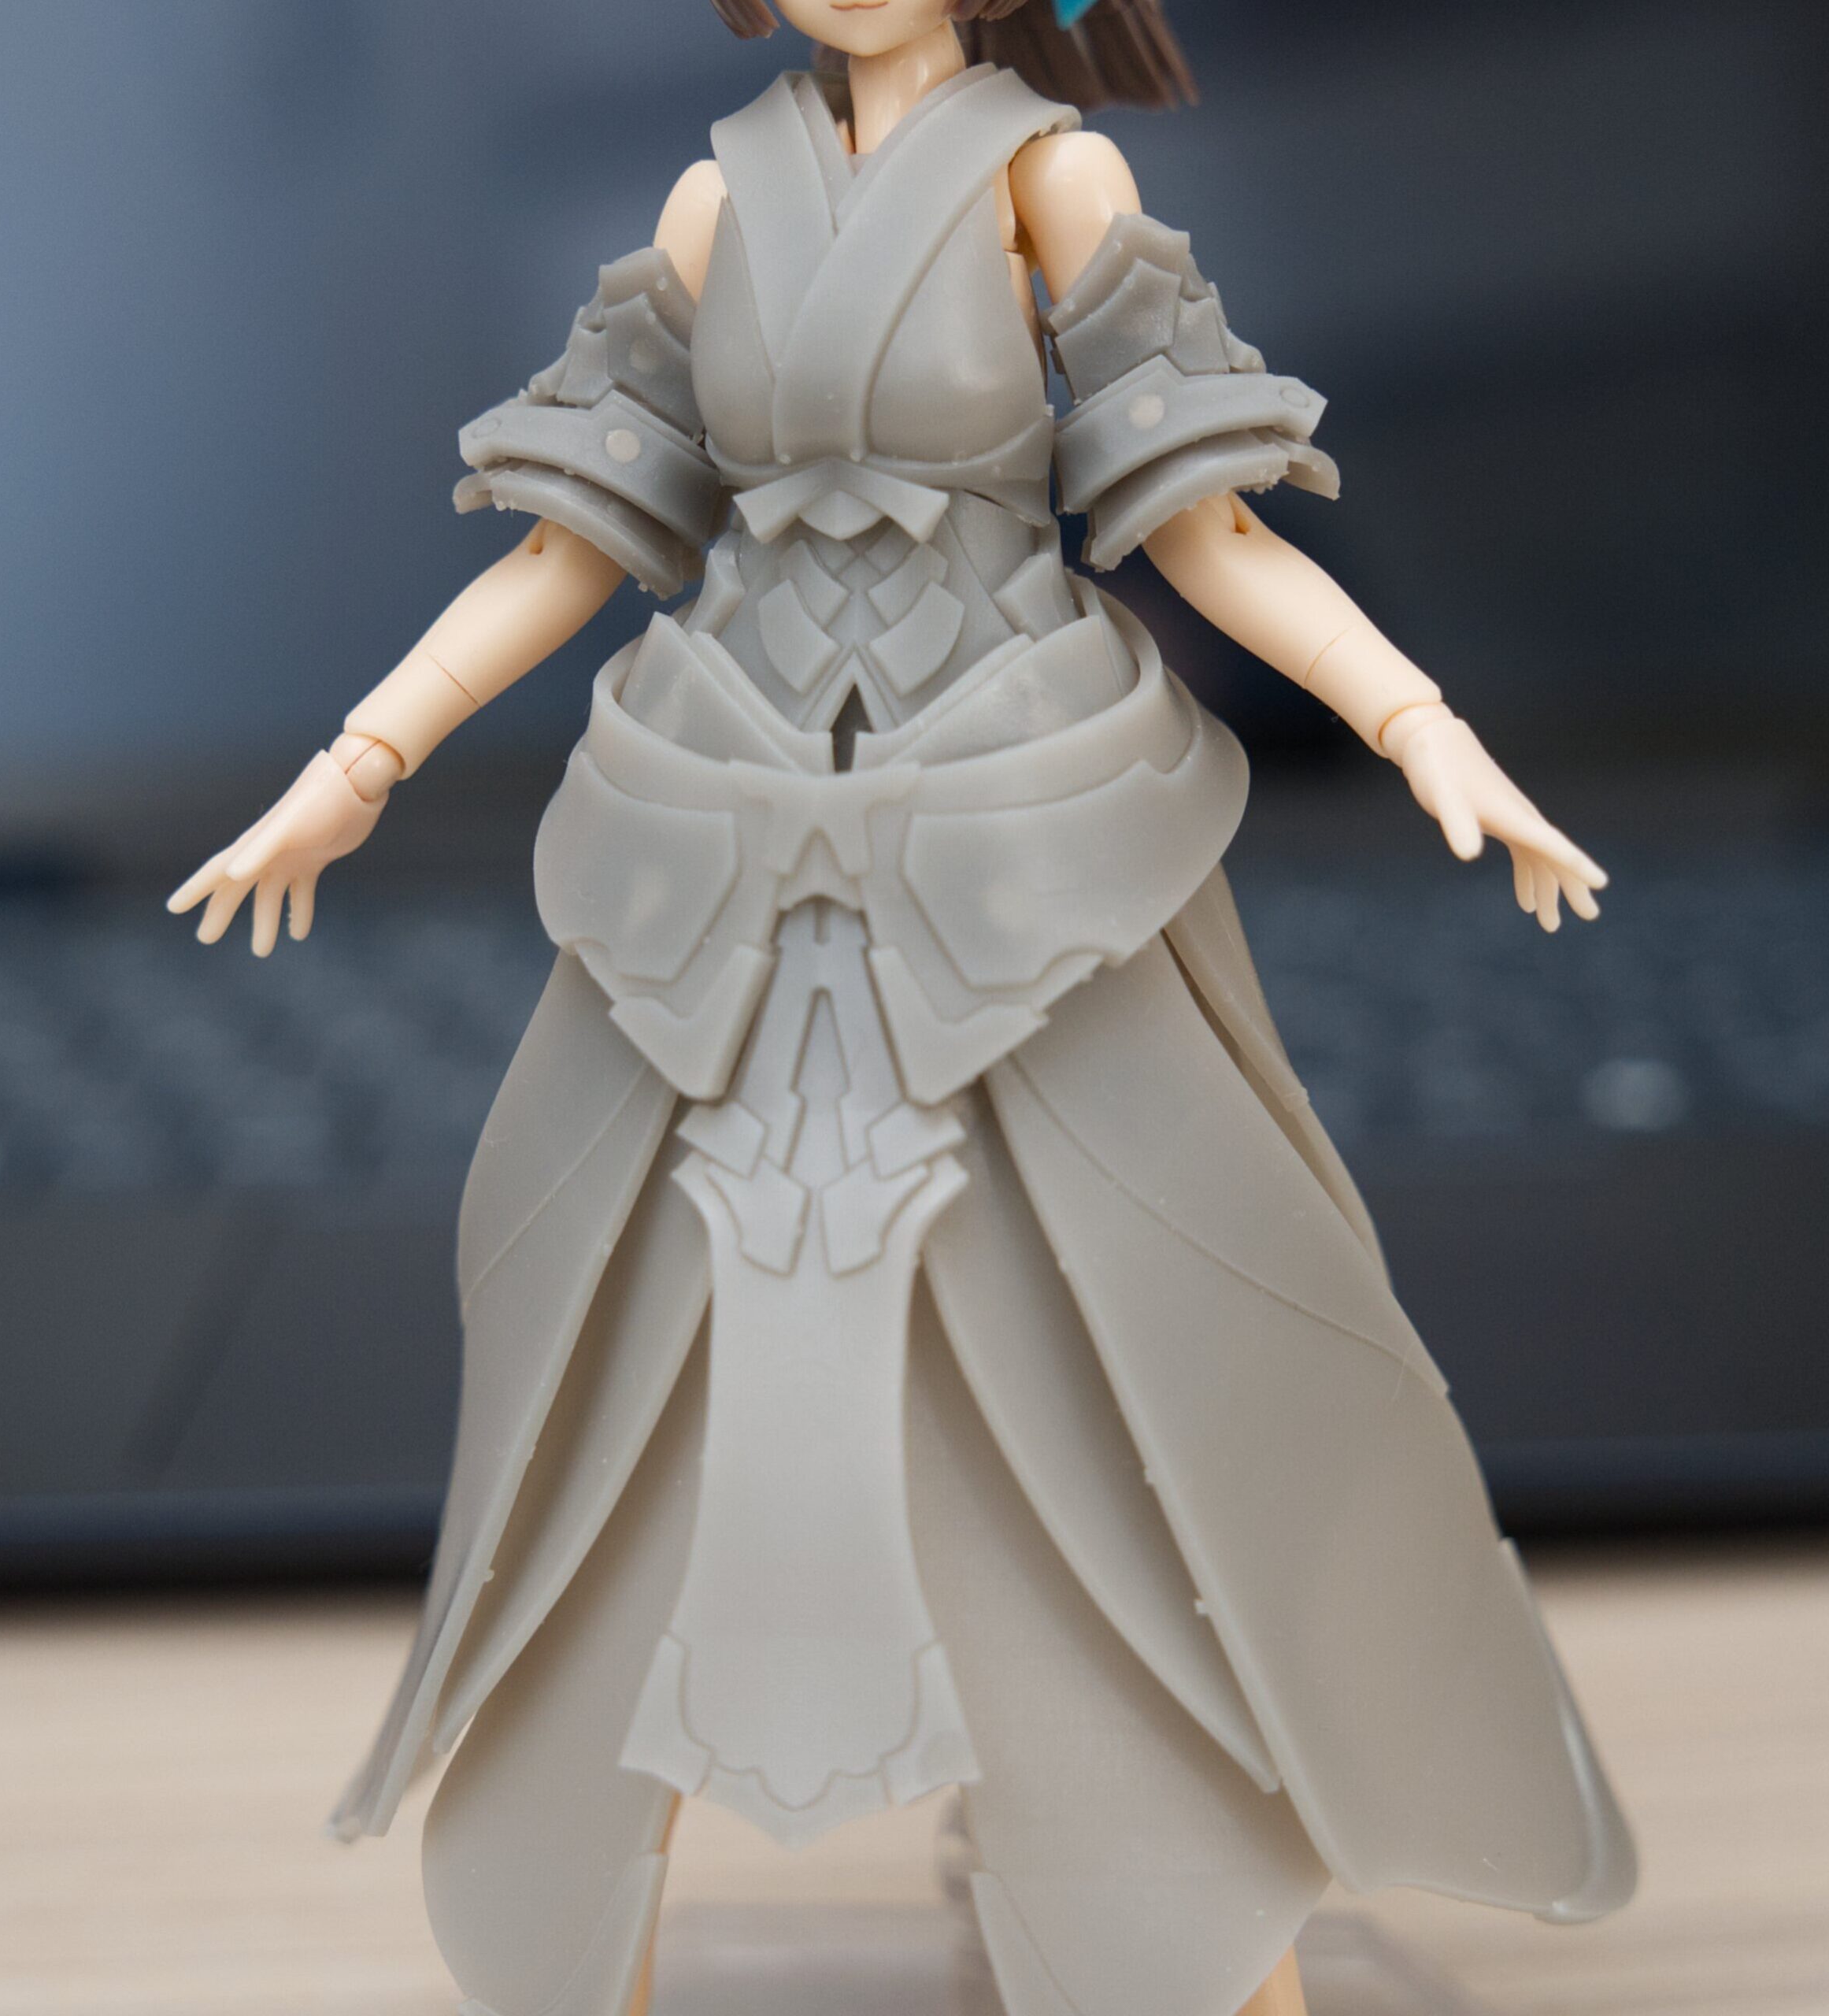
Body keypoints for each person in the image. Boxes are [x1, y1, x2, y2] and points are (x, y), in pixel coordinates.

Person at [172, 4, 1633, 2013]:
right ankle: (577, 1904)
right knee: (644, 1356)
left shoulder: (1051, 178)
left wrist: (1420, 725)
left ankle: (1176, 1912)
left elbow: (1205, 529)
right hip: (729, 842)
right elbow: (570, 546)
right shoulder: (713, 205)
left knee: (1099, 1344)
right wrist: (356, 764)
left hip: (1008, 845)